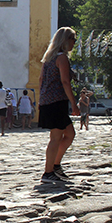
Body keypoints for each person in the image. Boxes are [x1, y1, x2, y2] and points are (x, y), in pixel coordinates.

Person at [39, 27, 80, 183]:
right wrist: (74, 104)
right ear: (65, 40)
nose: (74, 43)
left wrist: (41, 100)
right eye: (73, 40)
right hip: (56, 102)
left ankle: (55, 165)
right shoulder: (62, 58)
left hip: (48, 101)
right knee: (55, 138)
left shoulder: (48, 58)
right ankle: (48, 172)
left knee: (69, 134)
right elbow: (65, 82)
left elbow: (41, 80)